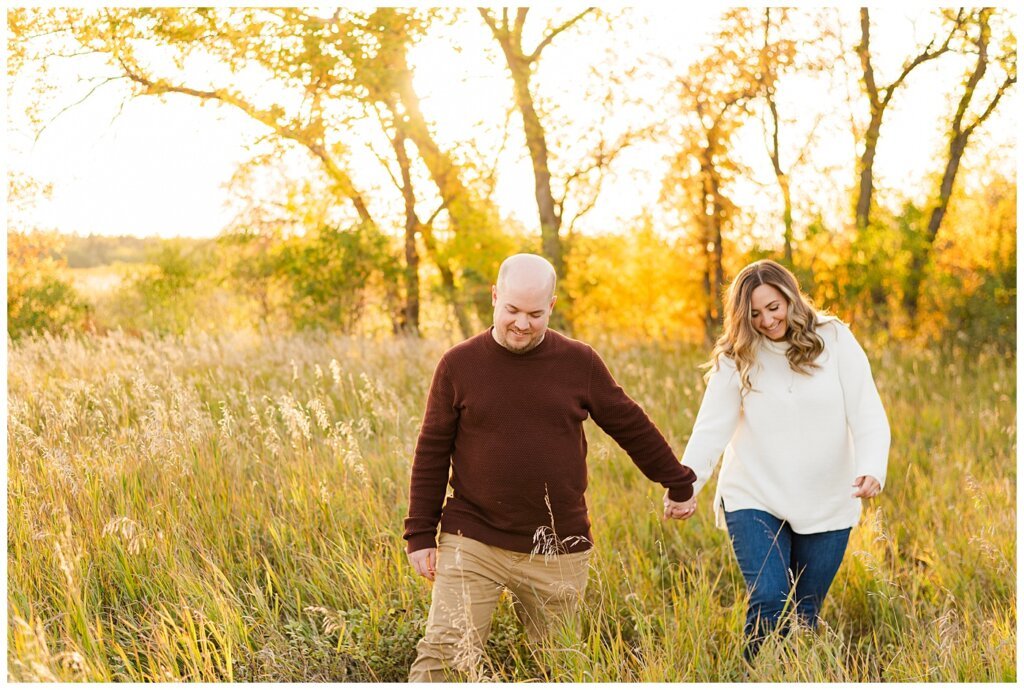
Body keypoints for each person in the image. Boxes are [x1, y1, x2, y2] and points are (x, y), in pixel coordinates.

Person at [404, 253, 698, 681]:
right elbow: (431, 451)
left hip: (558, 545)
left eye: (535, 313)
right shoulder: (458, 364)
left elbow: (630, 425)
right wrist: (420, 534)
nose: (522, 323)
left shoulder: (579, 363)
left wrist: (679, 482)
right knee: (444, 655)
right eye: (512, 310)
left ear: (552, 307)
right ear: (494, 297)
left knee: (559, 666)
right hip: (474, 536)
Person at [671, 259, 890, 661]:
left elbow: (867, 411)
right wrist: (685, 487)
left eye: (774, 307)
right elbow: (710, 429)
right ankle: (755, 673)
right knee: (770, 598)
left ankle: (792, 673)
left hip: (827, 498)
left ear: (791, 296)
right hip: (755, 493)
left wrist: (872, 467)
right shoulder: (736, 357)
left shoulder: (834, 338)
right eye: (754, 314)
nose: (768, 320)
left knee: (804, 616)